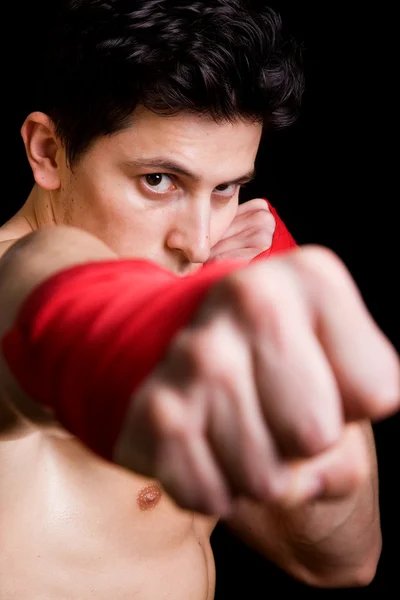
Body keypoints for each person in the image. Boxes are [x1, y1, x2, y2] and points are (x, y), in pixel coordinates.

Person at [0, 1, 399, 598]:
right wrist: (118, 330)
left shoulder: (218, 280)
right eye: (158, 181)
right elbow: (31, 290)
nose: (200, 240)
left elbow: (343, 560)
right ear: (49, 152)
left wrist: (294, 336)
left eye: (227, 188)